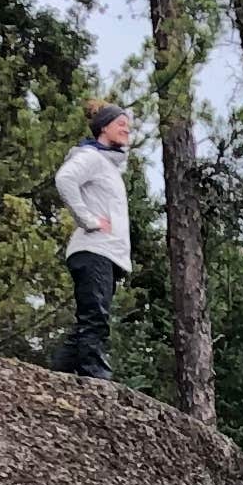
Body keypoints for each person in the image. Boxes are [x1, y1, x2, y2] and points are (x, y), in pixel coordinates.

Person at [51, 102, 135, 377]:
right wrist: (88, 220)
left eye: (128, 125)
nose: (127, 128)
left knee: (88, 321)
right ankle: (96, 378)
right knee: (95, 319)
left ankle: (56, 376)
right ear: (104, 127)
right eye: (120, 123)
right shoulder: (91, 156)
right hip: (94, 250)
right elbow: (65, 179)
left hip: (105, 254)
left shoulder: (108, 166)